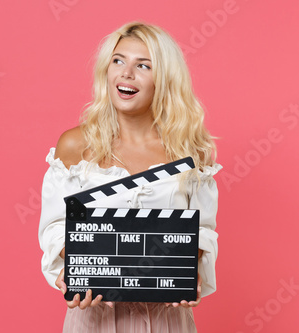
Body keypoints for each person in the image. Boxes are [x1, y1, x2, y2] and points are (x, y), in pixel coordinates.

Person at [38, 21, 221, 332]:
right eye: (118, 61)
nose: (126, 73)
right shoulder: (75, 145)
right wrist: (79, 268)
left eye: (143, 66)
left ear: (164, 79)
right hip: (94, 315)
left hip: (167, 317)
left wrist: (189, 269)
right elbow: (57, 224)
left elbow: (201, 228)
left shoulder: (190, 152)